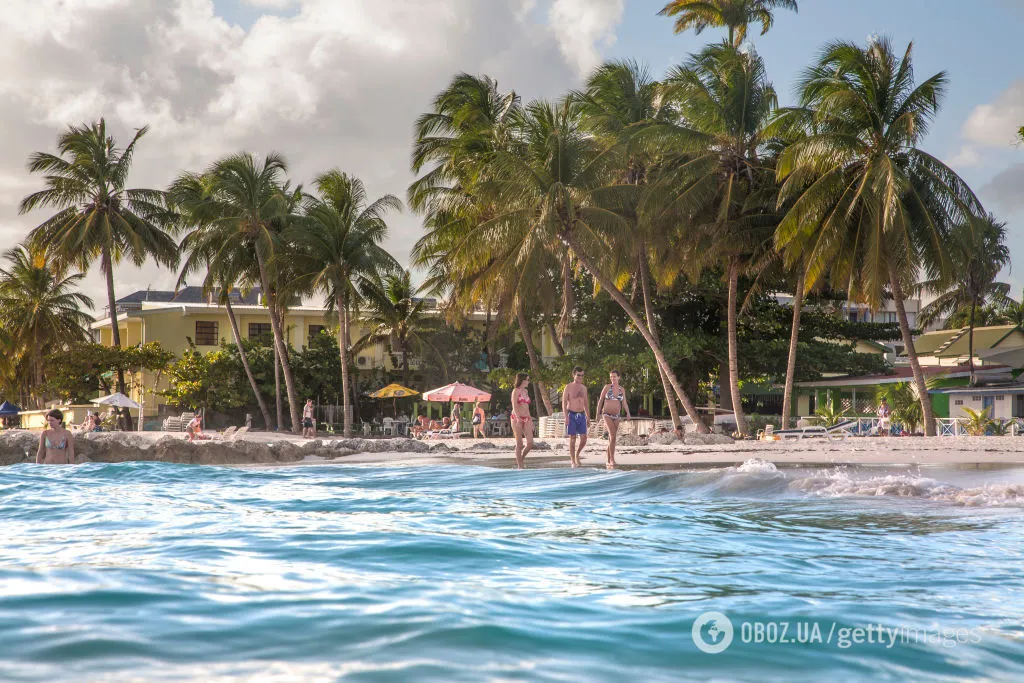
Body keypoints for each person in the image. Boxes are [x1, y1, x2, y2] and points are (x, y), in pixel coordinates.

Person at [596, 370, 631, 469]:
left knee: (613, 438)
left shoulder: (621, 389)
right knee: (612, 435)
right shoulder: (607, 387)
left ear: (619, 377)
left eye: (614, 376)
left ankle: (608, 460)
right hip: (606, 414)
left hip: (617, 416)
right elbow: (601, 400)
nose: (612, 378)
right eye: (611, 377)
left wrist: (628, 413)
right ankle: (612, 459)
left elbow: (624, 403)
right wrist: (597, 414)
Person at [561, 366, 590, 468]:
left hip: (581, 414)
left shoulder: (584, 388)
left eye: (582, 375)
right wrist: (566, 417)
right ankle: (572, 461)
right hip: (571, 414)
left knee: (584, 438)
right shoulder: (568, 387)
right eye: (578, 375)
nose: (580, 377)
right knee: (572, 438)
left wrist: (588, 417)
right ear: (573, 375)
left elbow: (586, 404)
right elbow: (564, 403)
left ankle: (577, 454)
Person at [510, 372, 534, 469]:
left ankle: (521, 458)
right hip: (516, 418)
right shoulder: (515, 391)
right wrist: (518, 418)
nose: (528, 382)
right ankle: (520, 466)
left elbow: (526, 406)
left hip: (526, 418)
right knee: (519, 443)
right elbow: (514, 405)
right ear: (522, 380)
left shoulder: (526, 392)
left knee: (530, 443)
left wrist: (530, 419)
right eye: (527, 380)